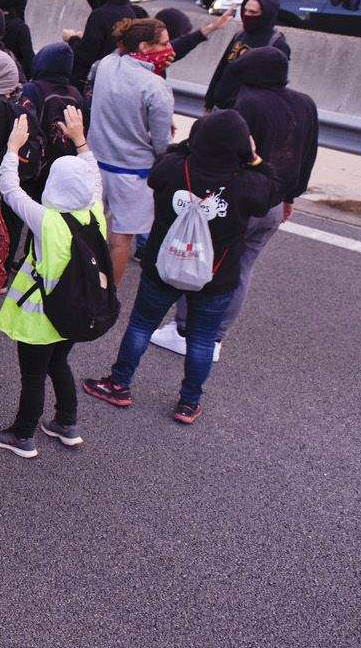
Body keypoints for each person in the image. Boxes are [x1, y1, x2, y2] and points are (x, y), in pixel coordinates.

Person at [85, 111, 278, 424]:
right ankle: (188, 403)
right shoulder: (248, 184)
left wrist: (191, 143)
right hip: (215, 276)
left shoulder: (175, 168)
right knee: (202, 338)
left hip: (163, 266)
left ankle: (118, 384)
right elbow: (273, 189)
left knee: (142, 324)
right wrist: (254, 158)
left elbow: (162, 162)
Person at [155, 46, 318, 359]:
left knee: (203, 260)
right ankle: (215, 337)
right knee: (243, 269)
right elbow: (307, 155)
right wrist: (290, 197)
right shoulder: (306, 104)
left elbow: (224, 150)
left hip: (240, 200)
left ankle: (185, 330)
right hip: (273, 203)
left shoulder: (248, 102)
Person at [0, 107, 101, 457]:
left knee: (33, 374)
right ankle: (67, 423)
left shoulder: (47, 220)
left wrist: (11, 149)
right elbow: (94, 178)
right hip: (76, 310)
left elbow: (10, 188)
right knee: (58, 363)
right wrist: (80, 140)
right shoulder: (94, 212)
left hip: (41, 313)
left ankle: (23, 434)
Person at [89, 18, 175, 285]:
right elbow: (161, 144)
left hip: (95, 161)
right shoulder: (155, 86)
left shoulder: (106, 64)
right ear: (144, 46)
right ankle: (108, 293)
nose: (170, 49)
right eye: (163, 43)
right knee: (121, 238)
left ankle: (81, 281)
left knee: (89, 230)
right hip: (133, 172)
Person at [204, 0, 290, 111]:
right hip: (219, 107)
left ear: (266, 15)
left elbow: (276, 88)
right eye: (245, 10)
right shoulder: (240, 35)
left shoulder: (276, 44)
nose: (247, 15)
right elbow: (222, 68)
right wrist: (209, 102)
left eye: (253, 12)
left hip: (245, 115)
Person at [70, 0, 136, 87]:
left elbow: (85, 57)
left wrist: (73, 40)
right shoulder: (131, 12)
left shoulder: (100, 15)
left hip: (95, 83)